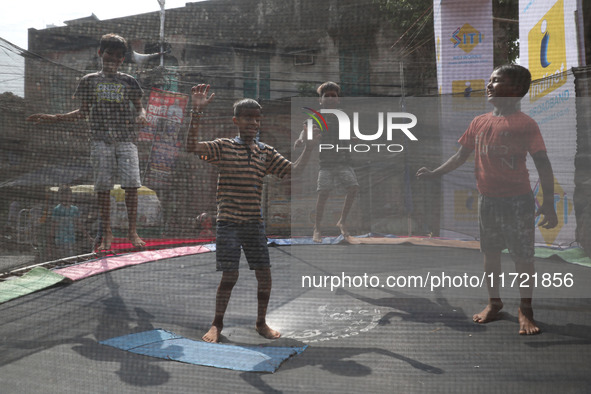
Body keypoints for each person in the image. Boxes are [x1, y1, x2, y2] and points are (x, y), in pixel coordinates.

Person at [416, 64, 558, 335]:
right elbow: (460, 156)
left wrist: (549, 202)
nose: (489, 85)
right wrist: (435, 173)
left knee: (523, 257)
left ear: (515, 90)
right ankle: (494, 302)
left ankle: (525, 309)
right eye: (489, 80)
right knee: (490, 254)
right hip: (488, 201)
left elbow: (543, 163)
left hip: (518, 201)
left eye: (497, 81)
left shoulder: (525, 124)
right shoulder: (479, 121)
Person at [187, 84, 315, 343]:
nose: (253, 123)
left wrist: (310, 147)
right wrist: (196, 113)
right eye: (248, 118)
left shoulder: (265, 152)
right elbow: (192, 147)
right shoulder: (223, 147)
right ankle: (217, 324)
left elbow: (294, 171)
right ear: (236, 121)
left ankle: (260, 323)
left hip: (254, 224)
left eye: (257, 118)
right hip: (229, 223)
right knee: (230, 276)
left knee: (264, 275)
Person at [27, 33, 148, 251]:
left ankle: (132, 231)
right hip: (100, 139)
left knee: (132, 185)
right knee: (103, 186)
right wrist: (55, 118)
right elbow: (83, 112)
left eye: (119, 56)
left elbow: (139, 106)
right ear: (101, 53)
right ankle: (107, 232)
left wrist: (141, 115)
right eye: (109, 54)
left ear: (122, 59)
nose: (113, 59)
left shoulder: (129, 81)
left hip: (126, 138)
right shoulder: (90, 80)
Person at [295, 82, 359, 242]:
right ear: (320, 100)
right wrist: (301, 139)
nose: (330, 98)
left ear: (338, 100)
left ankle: (342, 221)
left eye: (333, 95)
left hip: (344, 161)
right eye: (327, 95)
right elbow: (305, 131)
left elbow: (345, 134)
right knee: (323, 193)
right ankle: (317, 228)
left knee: (353, 188)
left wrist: (352, 138)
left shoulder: (343, 116)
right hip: (326, 163)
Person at [51, 186, 81, 259]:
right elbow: (53, 226)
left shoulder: (74, 209)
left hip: (71, 239)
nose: (66, 197)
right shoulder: (57, 209)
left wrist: (87, 236)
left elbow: (78, 223)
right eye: (63, 194)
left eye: (67, 194)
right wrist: (52, 242)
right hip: (60, 240)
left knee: (72, 258)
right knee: (63, 259)